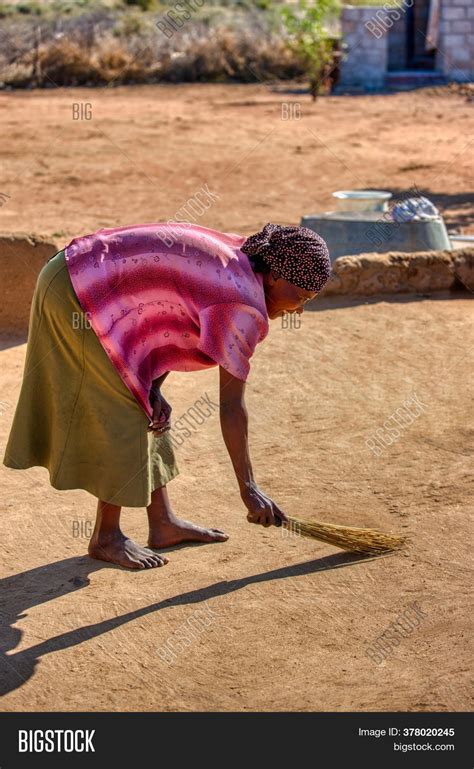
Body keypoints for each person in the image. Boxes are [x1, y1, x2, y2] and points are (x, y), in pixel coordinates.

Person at [3, 221, 331, 570]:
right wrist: (248, 487)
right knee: (126, 406)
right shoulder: (241, 305)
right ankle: (105, 537)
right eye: (300, 296)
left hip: (88, 276)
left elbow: (167, 316)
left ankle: (162, 523)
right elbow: (231, 406)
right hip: (79, 288)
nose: (299, 309)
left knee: (147, 403)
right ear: (275, 276)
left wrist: (155, 385)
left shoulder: (248, 262)